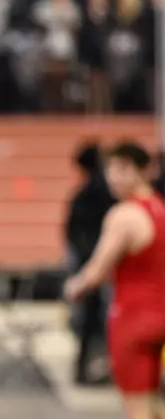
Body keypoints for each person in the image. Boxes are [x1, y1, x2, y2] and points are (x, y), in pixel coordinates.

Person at [65, 141, 165, 419]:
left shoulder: (123, 215)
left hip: (132, 321)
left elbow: (97, 270)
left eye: (123, 170)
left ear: (142, 170)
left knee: (137, 413)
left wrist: (74, 287)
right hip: (160, 316)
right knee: (154, 408)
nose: (114, 178)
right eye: (111, 170)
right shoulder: (160, 208)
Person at [63, 142, 115, 384]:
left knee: (90, 318)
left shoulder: (86, 194)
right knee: (99, 317)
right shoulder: (106, 192)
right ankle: (93, 367)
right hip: (101, 264)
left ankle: (87, 367)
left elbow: (70, 231)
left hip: (91, 263)